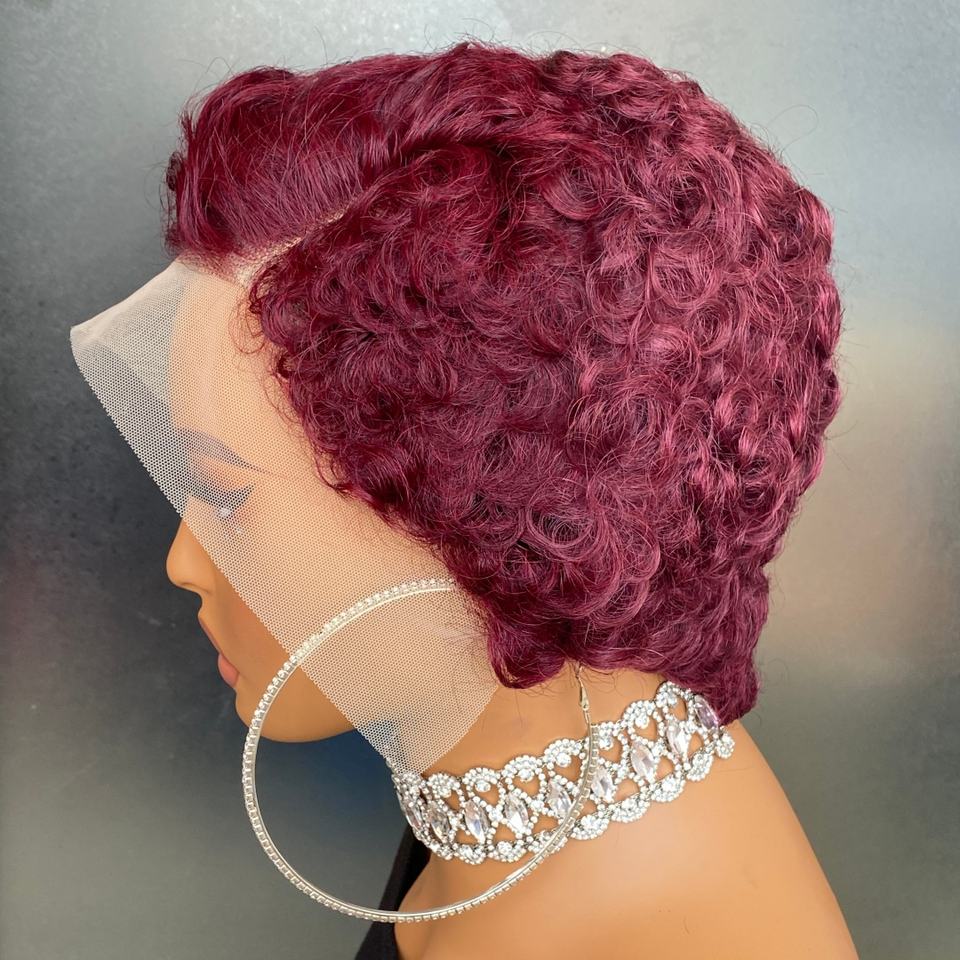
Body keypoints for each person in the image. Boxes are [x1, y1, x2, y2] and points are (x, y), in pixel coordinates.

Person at [71, 39, 858, 958]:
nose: (182, 561)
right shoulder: (510, 808)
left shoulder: (650, 925)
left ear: (475, 508)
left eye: (225, 494)